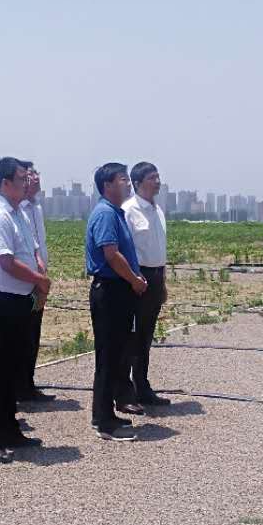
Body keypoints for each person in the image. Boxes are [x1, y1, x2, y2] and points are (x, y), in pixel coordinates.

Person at [0, 158, 49, 462]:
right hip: (0, 301)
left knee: (11, 371)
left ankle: (10, 430)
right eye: (21, 178)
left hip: (20, 300)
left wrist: (39, 271)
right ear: (5, 183)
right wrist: (39, 280)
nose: (27, 182)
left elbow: (33, 250)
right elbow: (6, 262)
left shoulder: (19, 213)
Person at [85, 162, 147, 441]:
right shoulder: (105, 214)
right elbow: (110, 254)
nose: (128, 183)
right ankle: (104, 422)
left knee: (115, 354)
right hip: (110, 291)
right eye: (123, 179)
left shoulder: (115, 212)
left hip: (119, 290)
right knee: (108, 357)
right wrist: (134, 279)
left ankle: (105, 413)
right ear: (107, 185)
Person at [122, 161, 170, 407]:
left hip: (156, 277)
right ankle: (124, 391)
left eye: (158, 176)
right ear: (137, 183)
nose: (157, 181)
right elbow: (124, 251)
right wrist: (133, 279)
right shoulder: (128, 210)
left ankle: (142, 386)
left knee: (145, 336)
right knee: (131, 337)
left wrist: (163, 282)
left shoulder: (158, 210)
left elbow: (159, 250)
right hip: (137, 279)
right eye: (152, 177)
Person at [18, 162, 52, 402]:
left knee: (33, 335)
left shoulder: (36, 207)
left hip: (39, 280)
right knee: (20, 336)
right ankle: (18, 386)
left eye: (36, 173)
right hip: (23, 280)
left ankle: (28, 384)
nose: (36, 178)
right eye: (30, 175)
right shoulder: (16, 210)